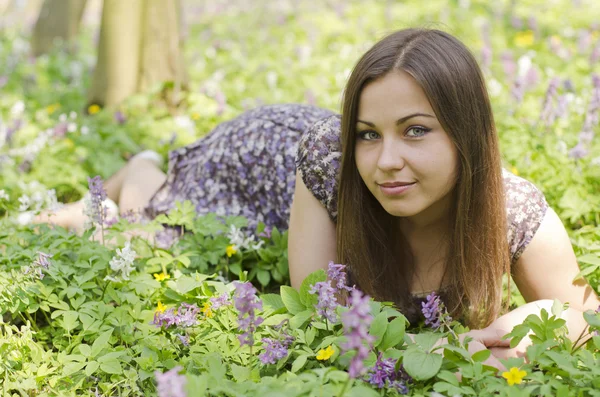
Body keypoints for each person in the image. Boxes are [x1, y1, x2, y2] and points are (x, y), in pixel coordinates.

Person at [35, 28, 598, 369]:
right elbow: (313, 308)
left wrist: (538, 321)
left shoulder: (517, 210)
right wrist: (453, 354)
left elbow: (585, 316)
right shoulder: (332, 161)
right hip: (258, 162)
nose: (386, 161)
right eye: (369, 132)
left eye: (417, 130)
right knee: (151, 225)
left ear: (468, 135)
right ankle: (142, 171)